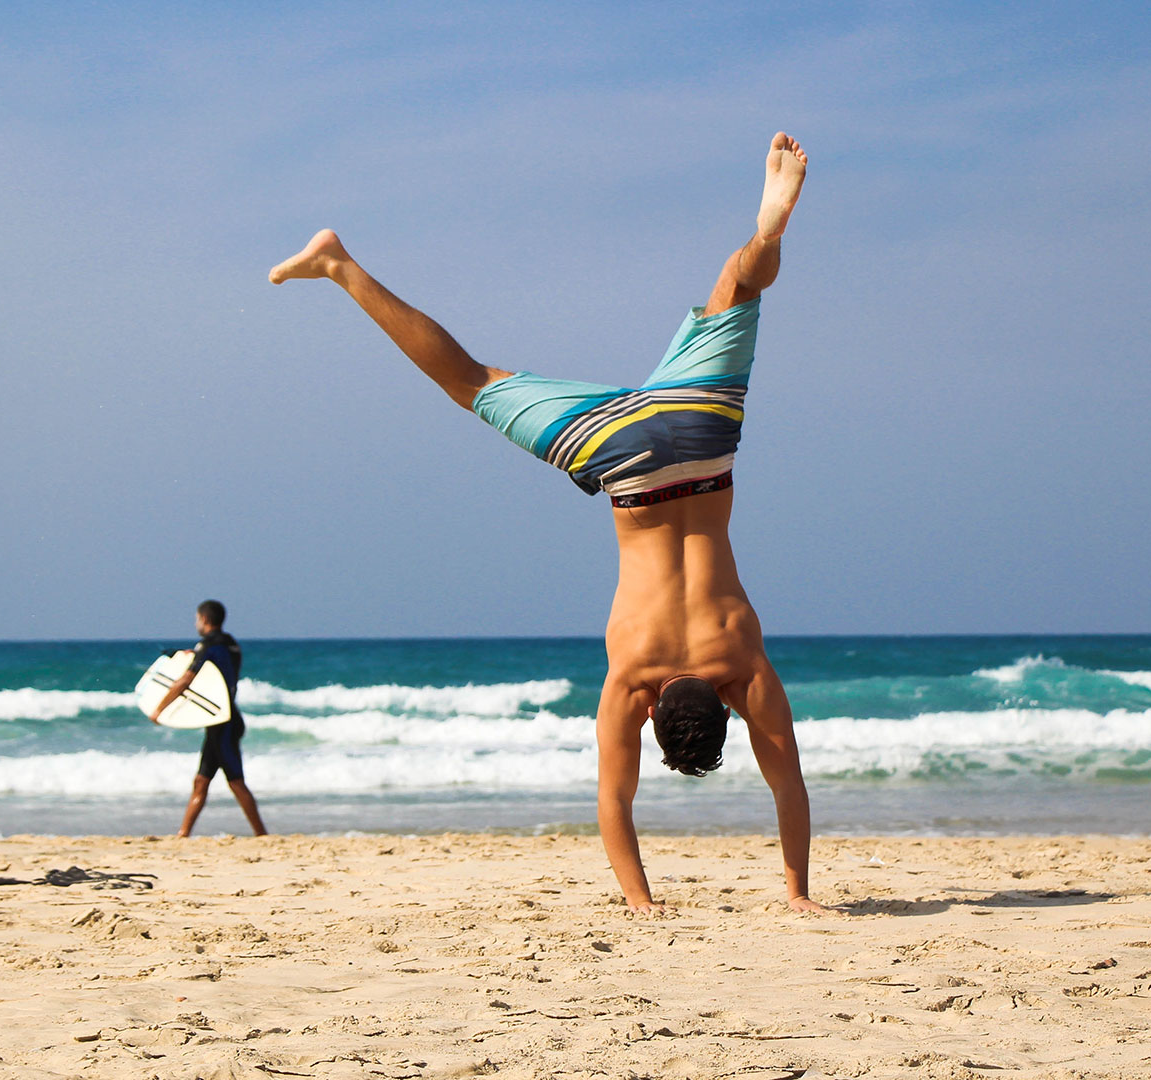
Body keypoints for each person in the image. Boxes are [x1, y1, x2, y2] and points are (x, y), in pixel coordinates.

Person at [270, 133, 828, 914]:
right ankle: (338, 265)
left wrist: (800, 891)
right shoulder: (633, 677)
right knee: (469, 381)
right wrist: (641, 901)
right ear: (652, 715)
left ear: (725, 707)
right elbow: (615, 802)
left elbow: (791, 787)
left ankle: (765, 233)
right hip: (624, 466)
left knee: (740, 287)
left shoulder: (743, 665)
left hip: (700, 437)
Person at [150, 599, 268, 838]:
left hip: (222, 724)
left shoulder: (208, 646)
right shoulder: (230, 644)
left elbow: (185, 681)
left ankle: (262, 835)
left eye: (196, 619)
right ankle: (183, 834)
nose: (196, 623)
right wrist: (191, 654)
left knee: (236, 781)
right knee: (201, 781)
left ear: (204, 619)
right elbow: (218, 668)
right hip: (225, 720)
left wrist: (159, 708)